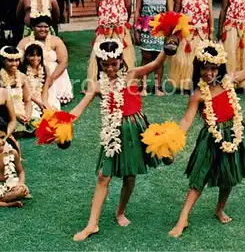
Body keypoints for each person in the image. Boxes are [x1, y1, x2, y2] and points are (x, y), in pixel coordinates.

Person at [71, 38, 174, 241]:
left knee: (130, 174)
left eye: (114, 64)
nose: (110, 69)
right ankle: (92, 224)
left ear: (121, 61)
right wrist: (64, 121)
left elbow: (155, 65)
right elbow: (79, 108)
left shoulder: (131, 75)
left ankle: (120, 211)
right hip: (113, 132)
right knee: (103, 176)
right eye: (105, 65)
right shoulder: (97, 85)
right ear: (99, 63)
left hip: (136, 128)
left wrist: (165, 51)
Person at [168, 40, 245, 238]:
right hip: (211, 139)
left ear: (219, 68)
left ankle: (220, 209)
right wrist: (172, 142)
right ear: (199, 68)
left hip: (234, 133)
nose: (209, 73)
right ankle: (182, 219)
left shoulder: (228, 81)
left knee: (228, 175)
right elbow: (187, 120)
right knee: (199, 179)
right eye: (205, 68)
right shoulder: (198, 95)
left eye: (213, 68)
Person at [169, 0, 214, 91]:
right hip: (186, 33)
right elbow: (176, 14)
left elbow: (210, 14)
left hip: (202, 32)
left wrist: (211, 31)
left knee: (200, 58)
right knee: (184, 60)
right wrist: (174, 32)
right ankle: (185, 84)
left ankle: (199, 82)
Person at [133, 0, 173, 96]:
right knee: (146, 56)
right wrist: (135, 29)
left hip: (160, 29)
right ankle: (143, 86)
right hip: (145, 28)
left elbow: (170, 12)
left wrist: (170, 31)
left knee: (159, 58)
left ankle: (157, 87)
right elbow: (137, 10)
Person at [17, 15, 73, 105]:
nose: (43, 29)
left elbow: (63, 62)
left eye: (46, 27)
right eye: (39, 26)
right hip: (32, 74)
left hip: (54, 74)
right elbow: (17, 61)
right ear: (33, 27)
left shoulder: (56, 41)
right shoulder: (24, 41)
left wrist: (51, 78)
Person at [0, 46, 35, 135]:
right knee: (17, 130)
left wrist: (27, 114)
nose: (14, 63)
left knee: (37, 125)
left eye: (16, 60)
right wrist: (15, 115)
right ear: (3, 61)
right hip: (4, 111)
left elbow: (27, 100)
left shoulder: (22, 77)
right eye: (10, 61)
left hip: (21, 110)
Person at [20, 41, 60, 119]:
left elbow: (45, 90)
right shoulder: (22, 70)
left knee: (52, 112)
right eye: (32, 56)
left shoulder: (45, 69)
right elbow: (24, 92)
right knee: (34, 117)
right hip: (27, 99)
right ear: (27, 56)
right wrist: (37, 102)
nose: (36, 58)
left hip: (41, 96)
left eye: (38, 55)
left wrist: (45, 103)